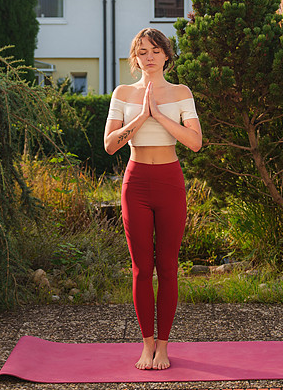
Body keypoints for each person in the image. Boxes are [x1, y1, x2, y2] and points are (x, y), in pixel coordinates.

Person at [103, 28, 202, 370]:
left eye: (155, 51)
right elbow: (110, 144)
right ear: (135, 58)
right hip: (137, 184)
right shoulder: (123, 93)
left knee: (168, 268)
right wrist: (141, 116)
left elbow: (195, 142)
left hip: (170, 183)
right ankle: (146, 346)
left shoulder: (180, 92)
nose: (149, 57)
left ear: (166, 56)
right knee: (142, 269)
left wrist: (158, 115)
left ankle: (163, 347)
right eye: (142, 52)